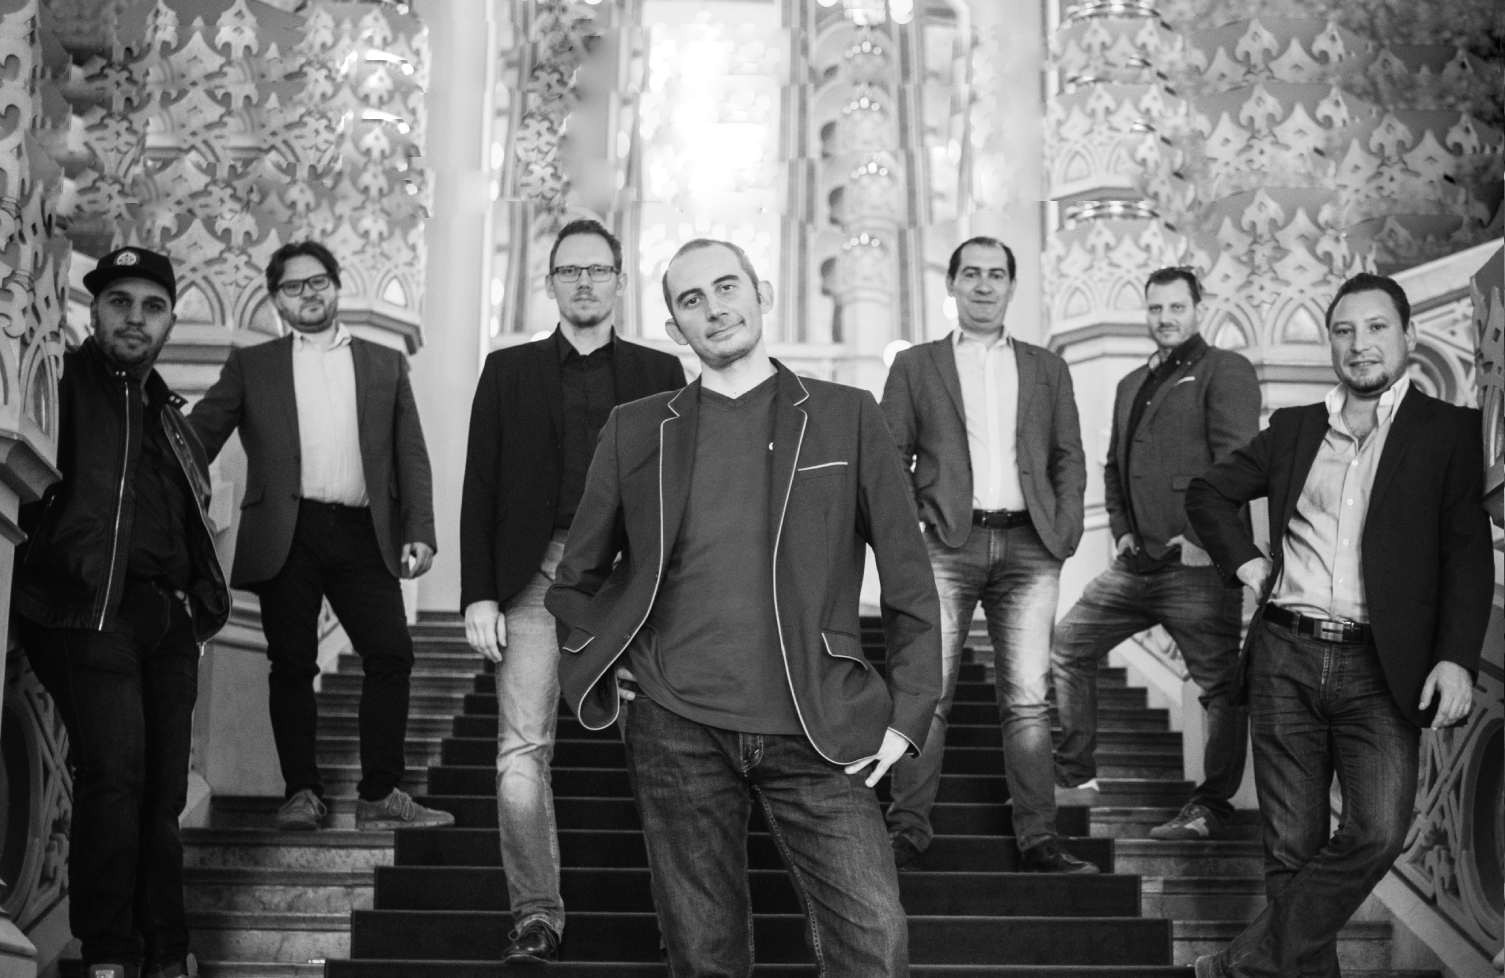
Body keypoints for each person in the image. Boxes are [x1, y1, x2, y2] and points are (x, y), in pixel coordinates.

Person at [546, 238, 940, 976]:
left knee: (875, 943)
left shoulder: (847, 415)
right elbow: (574, 580)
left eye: (727, 287)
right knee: (705, 958)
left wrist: (910, 711)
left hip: (821, 722)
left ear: (762, 295)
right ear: (676, 329)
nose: (714, 308)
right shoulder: (635, 428)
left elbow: (909, 580)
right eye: (691, 300)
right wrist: (611, 657)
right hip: (676, 727)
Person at [1185, 273, 1493, 978]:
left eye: (1376, 327)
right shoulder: (1294, 428)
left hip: (1382, 665)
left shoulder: (1449, 432)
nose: (1360, 345)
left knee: (1378, 830)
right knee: (1290, 853)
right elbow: (1207, 493)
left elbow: (1467, 556)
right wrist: (1247, 564)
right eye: (1344, 330)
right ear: (1329, 341)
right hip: (1284, 655)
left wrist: (1455, 658)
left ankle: (1237, 965)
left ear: (1409, 335)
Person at [459, 218, 685, 964]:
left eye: (597, 270)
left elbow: (681, 488)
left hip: (630, 578)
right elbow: (481, 483)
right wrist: (478, 594)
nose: (584, 282)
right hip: (534, 574)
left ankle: (683, 917)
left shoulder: (659, 371)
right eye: (569, 271)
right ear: (550, 282)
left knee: (663, 751)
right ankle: (535, 915)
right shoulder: (507, 370)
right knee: (521, 749)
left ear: (619, 280)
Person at [12, 247, 231, 978]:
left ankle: (166, 952)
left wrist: (194, 601)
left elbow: (190, 519)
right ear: (95, 311)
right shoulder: (60, 383)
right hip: (86, 608)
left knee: (163, 795)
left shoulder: (171, 418)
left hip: (166, 622)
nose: (136, 318)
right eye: (120, 302)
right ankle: (109, 953)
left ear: (170, 320)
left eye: (152, 306)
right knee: (114, 775)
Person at [189, 241, 452, 833]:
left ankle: (380, 793)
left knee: (391, 653)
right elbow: (200, 435)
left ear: (335, 286)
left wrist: (420, 529)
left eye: (317, 282)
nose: (307, 294)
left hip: (364, 532)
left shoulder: (385, 363)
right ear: (277, 299)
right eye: (293, 286)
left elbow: (410, 454)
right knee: (291, 664)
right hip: (289, 533)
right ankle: (302, 792)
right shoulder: (253, 365)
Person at [880, 235, 1095, 873]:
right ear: (951, 284)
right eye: (970, 273)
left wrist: (1065, 530)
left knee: (1027, 700)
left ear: (1011, 286)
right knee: (928, 691)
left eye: (996, 274)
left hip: (1032, 546)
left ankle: (1039, 837)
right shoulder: (916, 365)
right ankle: (906, 831)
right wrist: (914, 522)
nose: (983, 285)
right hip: (948, 543)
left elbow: (1068, 455)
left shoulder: (1046, 367)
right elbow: (889, 455)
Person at [1052, 266, 1259, 840]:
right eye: (1156, 308)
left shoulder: (1225, 369)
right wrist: (1120, 529)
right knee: (1068, 645)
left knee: (1220, 688)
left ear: (1198, 309)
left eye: (1176, 307)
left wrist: (1199, 540)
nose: (1165, 318)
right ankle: (1076, 775)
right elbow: (1113, 467)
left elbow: (1237, 463)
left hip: (1196, 565)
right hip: (1135, 563)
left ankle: (1210, 807)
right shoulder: (1129, 384)